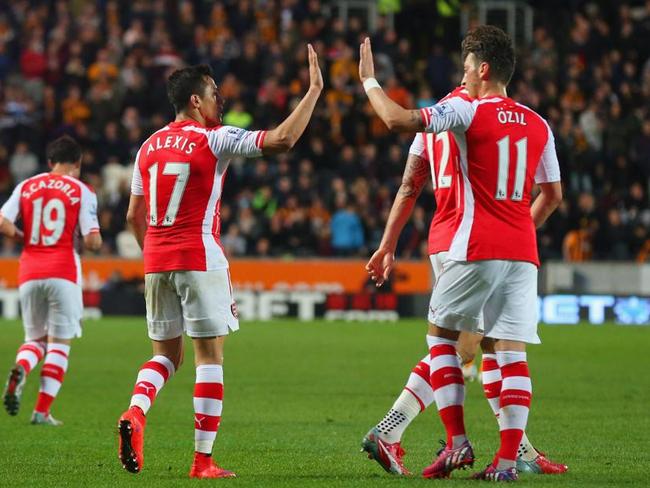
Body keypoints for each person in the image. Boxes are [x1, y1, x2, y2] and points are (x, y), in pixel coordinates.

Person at [359, 25, 563, 481]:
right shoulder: (537, 121)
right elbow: (552, 195)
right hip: (515, 244)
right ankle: (511, 456)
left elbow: (411, 178)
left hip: (463, 239)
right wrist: (519, 229)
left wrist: (370, 81)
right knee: (498, 349)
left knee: (459, 344)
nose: (464, 73)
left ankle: (426, 438)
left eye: (468, 66)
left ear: (481, 68)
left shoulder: (458, 109)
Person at [117, 45, 323, 479]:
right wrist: (313, 91)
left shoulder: (147, 147)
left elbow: (134, 216)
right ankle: (202, 461)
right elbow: (282, 140)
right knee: (209, 357)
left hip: (157, 259)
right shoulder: (216, 138)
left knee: (165, 357)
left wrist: (155, 252)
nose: (218, 100)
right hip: (199, 255)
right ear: (195, 100)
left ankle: (136, 412)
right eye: (213, 93)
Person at [0, 135, 102, 425]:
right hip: (63, 270)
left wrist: (25, 238)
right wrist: (92, 238)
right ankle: (41, 411)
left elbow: (2, 223)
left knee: (34, 340)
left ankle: (21, 365)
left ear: (49, 162)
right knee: (59, 344)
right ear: (77, 164)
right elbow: (93, 241)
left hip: (29, 270)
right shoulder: (81, 190)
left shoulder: (26, 185)